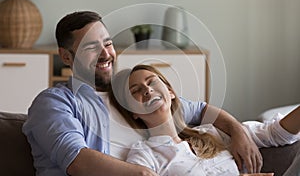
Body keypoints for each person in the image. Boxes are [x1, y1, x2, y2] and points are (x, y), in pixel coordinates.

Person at [22, 10, 262, 176]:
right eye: (91, 47)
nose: (106, 54)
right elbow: (78, 162)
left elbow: (199, 110)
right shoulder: (55, 103)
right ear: (66, 57)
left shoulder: (129, 93)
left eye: (107, 43)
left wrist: (237, 130)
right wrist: (146, 173)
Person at [110, 64, 300, 176]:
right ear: (133, 112)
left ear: (170, 91)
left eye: (151, 82)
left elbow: (276, 133)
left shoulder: (211, 132)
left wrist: (238, 131)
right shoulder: (144, 155)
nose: (147, 90)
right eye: (135, 91)